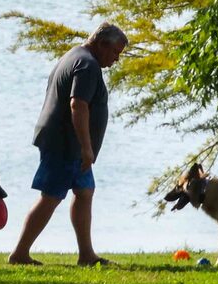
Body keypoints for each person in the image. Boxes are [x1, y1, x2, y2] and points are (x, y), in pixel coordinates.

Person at [8, 22, 128, 266]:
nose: (116, 59)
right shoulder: (87, 65)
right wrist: (86, 146)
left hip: (69, 143)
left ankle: (87, 255)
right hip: (65, 143)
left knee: (84, 192)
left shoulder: (76, 56)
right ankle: (19, 253)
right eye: (115, 52)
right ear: (102, 43)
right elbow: (78, 105)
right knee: (51, 196)